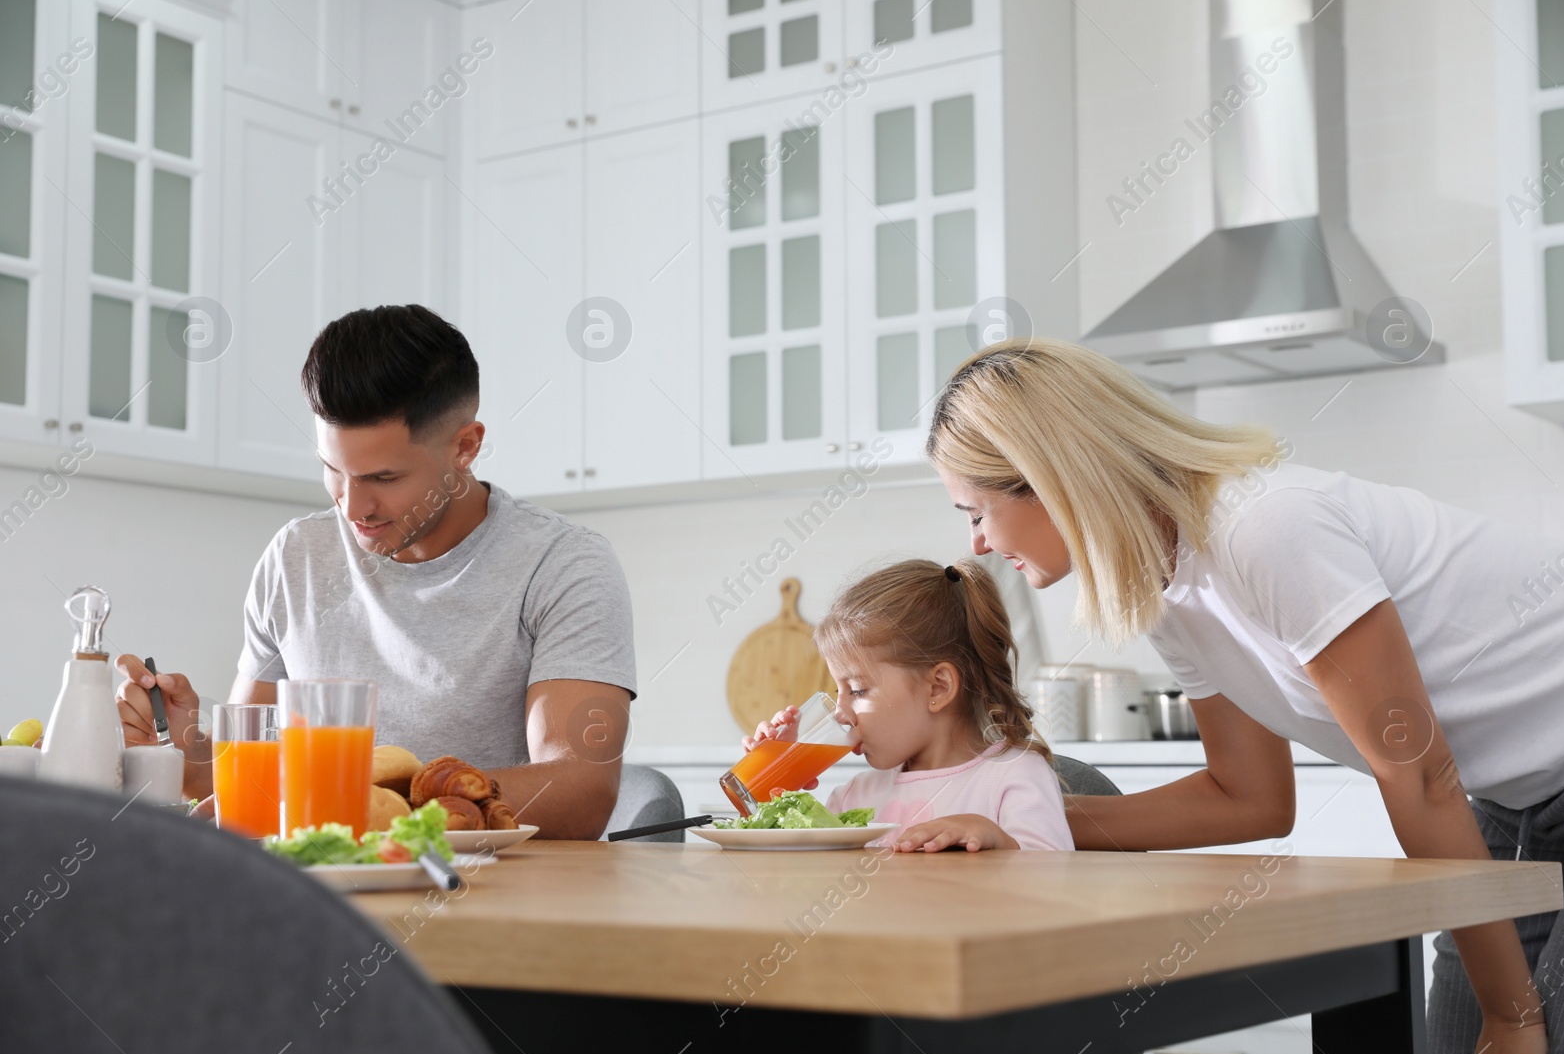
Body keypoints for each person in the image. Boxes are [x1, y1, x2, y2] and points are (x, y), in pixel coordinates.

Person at [924, 336, 1564, 1054]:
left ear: (1048, 477)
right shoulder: (1165, 587)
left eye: (975, 510)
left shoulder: (1267, 527)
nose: (980, 543)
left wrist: (1510, 1014)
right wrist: (1022, 818)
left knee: (1536, 1040)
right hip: (1516, 799)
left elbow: (1418, 772)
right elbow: (1246, 794)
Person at [115, 305, 637, 840]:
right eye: (332, 470)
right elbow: (252, 782)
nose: (353, 506)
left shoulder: (564, 565)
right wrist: (188, 753)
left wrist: (354, 802)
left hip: (486, 898)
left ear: (466, 447)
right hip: (321, 896)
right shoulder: (297, 556)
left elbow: (580, 792)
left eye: (383, 477)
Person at [743, 558, 1073, 852]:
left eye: (857, 690)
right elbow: (793, 879)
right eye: (837, 690)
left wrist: (997, 840)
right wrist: (774, 787)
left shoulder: (1014, 777)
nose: (840, 712)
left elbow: (1054, 882)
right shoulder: (853, 797)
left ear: (938, 687)